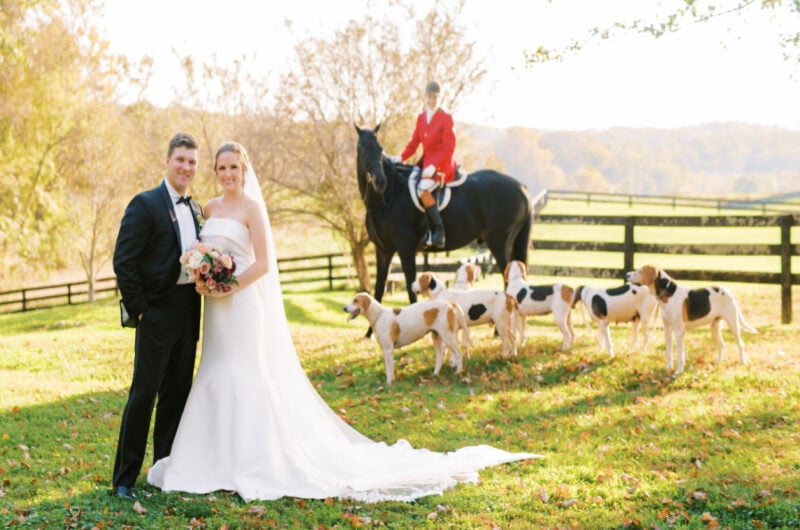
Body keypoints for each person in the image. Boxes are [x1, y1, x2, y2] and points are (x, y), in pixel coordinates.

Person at [147, 141, 541, 502]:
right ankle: (210, 455)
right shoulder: (210, 208)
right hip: (215, 308)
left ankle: (253, 458)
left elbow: (264, 263)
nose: (227, 173)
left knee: (245, 372)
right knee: (215, 369)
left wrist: (230, 284)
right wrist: (204, 276)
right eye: (221, 167)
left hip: (242, 302)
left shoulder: (252, 209)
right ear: (214, 171)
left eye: (233, 166)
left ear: (244, 169)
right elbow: (204, 251)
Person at [112, 132, 203, 499]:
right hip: (155, 314)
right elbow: (124, 261)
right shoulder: (145, 203)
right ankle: (124, 479)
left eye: (192, 162)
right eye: (181, 159)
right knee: (144, 392)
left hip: (189, 311)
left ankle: (164, 466)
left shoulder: (196, 209)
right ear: (168, 161)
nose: (186, 167)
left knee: (176, 393)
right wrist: (141, 311)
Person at [390, 80, 457, 249]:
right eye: (429, 96)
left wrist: (435, 166)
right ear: (425, 97)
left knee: (423, 188)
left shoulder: (446, 118)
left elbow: (448, 147)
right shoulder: (421, 118)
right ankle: (420, 227)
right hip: (425, 160)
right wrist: (400, 157)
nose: (432, 100)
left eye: (435, 97)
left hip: (442, 163)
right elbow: (414, 144)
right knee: (409, 182)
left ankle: (439, 232)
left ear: (439, 98)